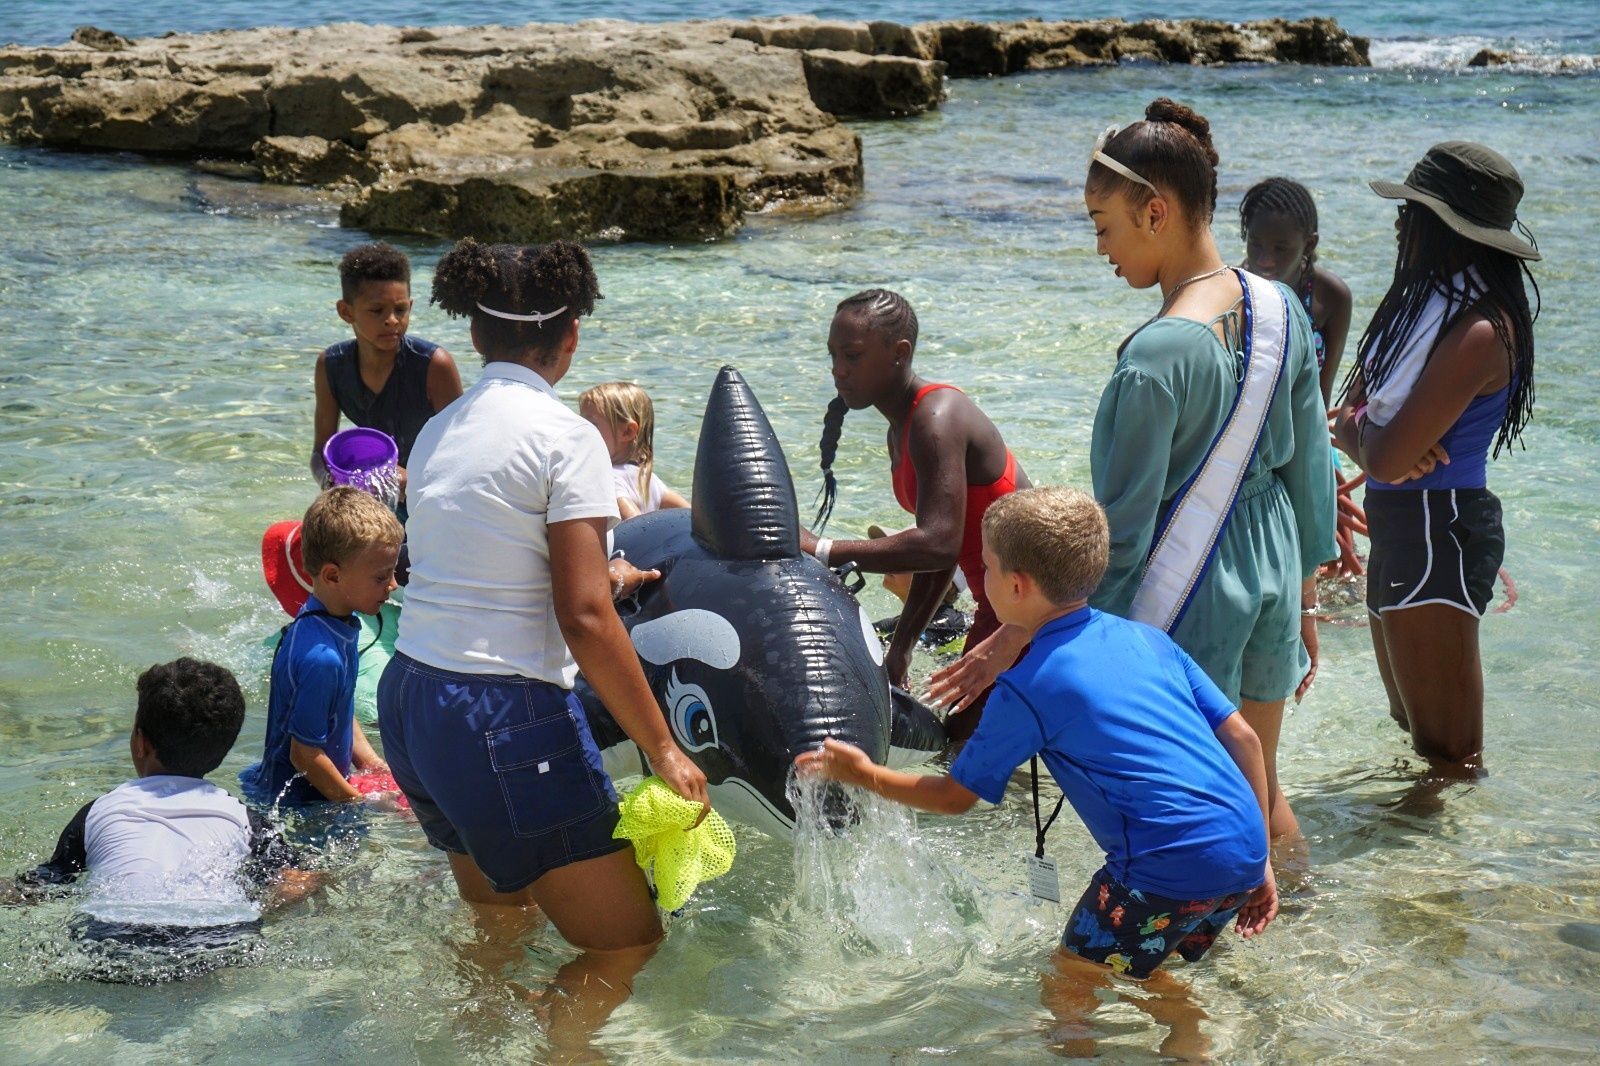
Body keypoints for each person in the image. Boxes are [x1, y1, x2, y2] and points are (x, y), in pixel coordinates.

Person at [931, 100, 1336, 852]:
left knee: (1180, 809)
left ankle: (1198, 948)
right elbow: (1309, 468)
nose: (1100, 248)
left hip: (1195, 591)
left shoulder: (1154, 357)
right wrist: (1306, 593)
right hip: (1274, 566)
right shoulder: (1280, 305)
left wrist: (1021, 638)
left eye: (1102, 224)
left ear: (1155, 212)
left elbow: (1117, 533)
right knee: (1260, 782)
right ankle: (1288, 932)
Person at [797, 487, 1275, 1059]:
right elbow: (1244, 738)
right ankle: (1185, 1035)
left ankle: (1148, 1043)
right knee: (1132, 961)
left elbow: (953, 798)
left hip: (1166, 865)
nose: (984, 582)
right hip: (1243, 849)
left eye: (989, 570)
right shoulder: (1146, 639)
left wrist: (863, 772)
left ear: (1017, 585)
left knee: (1070, 977)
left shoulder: (1030, 685)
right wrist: (1261, 858)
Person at [379, 237, 709, 1054]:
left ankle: (471, 1043)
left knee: (502, 920)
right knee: (624, 942)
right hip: (503, 713)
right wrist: (661, 747)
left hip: (413, 698)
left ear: (478, 339)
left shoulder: (438, 429)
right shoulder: (569, 440)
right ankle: (556, 1051)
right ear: (569, 339)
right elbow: (586, 614)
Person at [1330, 142, 1539, 772]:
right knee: (1414, 736)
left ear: (1445, 227)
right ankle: (1416, 869)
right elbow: (1349, 421)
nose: (1400, 222)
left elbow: (1380, 451)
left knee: (1450, 757)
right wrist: (1368, 436)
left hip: (1438, 529)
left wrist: (1367, 438)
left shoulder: (1479, 329)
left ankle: (1459, 872)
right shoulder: (1419, 311)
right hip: (1407, 527)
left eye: (1412, 211)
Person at [802, 289, 1030, 739]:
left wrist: (823, 549)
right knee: (974, 750)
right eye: (833, 355)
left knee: (964, 755)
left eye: (852, 355)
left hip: (1028, 610)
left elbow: (939, 541)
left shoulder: (936, 417)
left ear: (899, 353)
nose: (838, 371)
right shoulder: (902, 428)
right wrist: (901, 649)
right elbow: (944, 552)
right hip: (1001, 606)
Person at [6, 658, 314, 973]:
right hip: (219, 939)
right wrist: (259, 908)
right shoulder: (243, 819)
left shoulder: (100, 811)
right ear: (222, 752)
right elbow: (299, 881)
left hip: (110, 940)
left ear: (141, 743)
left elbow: (40, 888)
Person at [241, 487, 401, 809]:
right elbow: (304, 756)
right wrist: (360, 803)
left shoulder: (335, 621)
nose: (394, 584)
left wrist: (374, 766)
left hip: (321, 793)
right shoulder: (321, 658)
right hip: (296, 809)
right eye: (381, 576)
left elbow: (339, 709)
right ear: (333, 576)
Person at [1240, 177, 1366, 578]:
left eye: (1281, 248)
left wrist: (1312, 469)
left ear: (1309, 245)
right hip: (1247, 444)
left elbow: (1321, 394)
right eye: (1256, 244)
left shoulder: (1331, 296)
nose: (1265, 259)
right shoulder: (1233, 289)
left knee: (1322, 564)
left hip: (1305, 437)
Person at [310, 242, 464, 513]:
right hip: (370, 497)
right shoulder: (331, 366)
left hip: (430, 498)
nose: (392, 320)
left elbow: (466, 454)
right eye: (377, 310)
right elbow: (319, 453)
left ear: (411, 307)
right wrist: (332, 482)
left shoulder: (434, 366)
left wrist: (413, 479)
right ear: (346, 312)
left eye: (401, 310)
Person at [577, 381, 690, 519]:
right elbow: (692, 516)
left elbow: (637, 525)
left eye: (591, 424)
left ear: (627, 432)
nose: (580, 431)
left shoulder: (607, 478)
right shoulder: (647, 478)